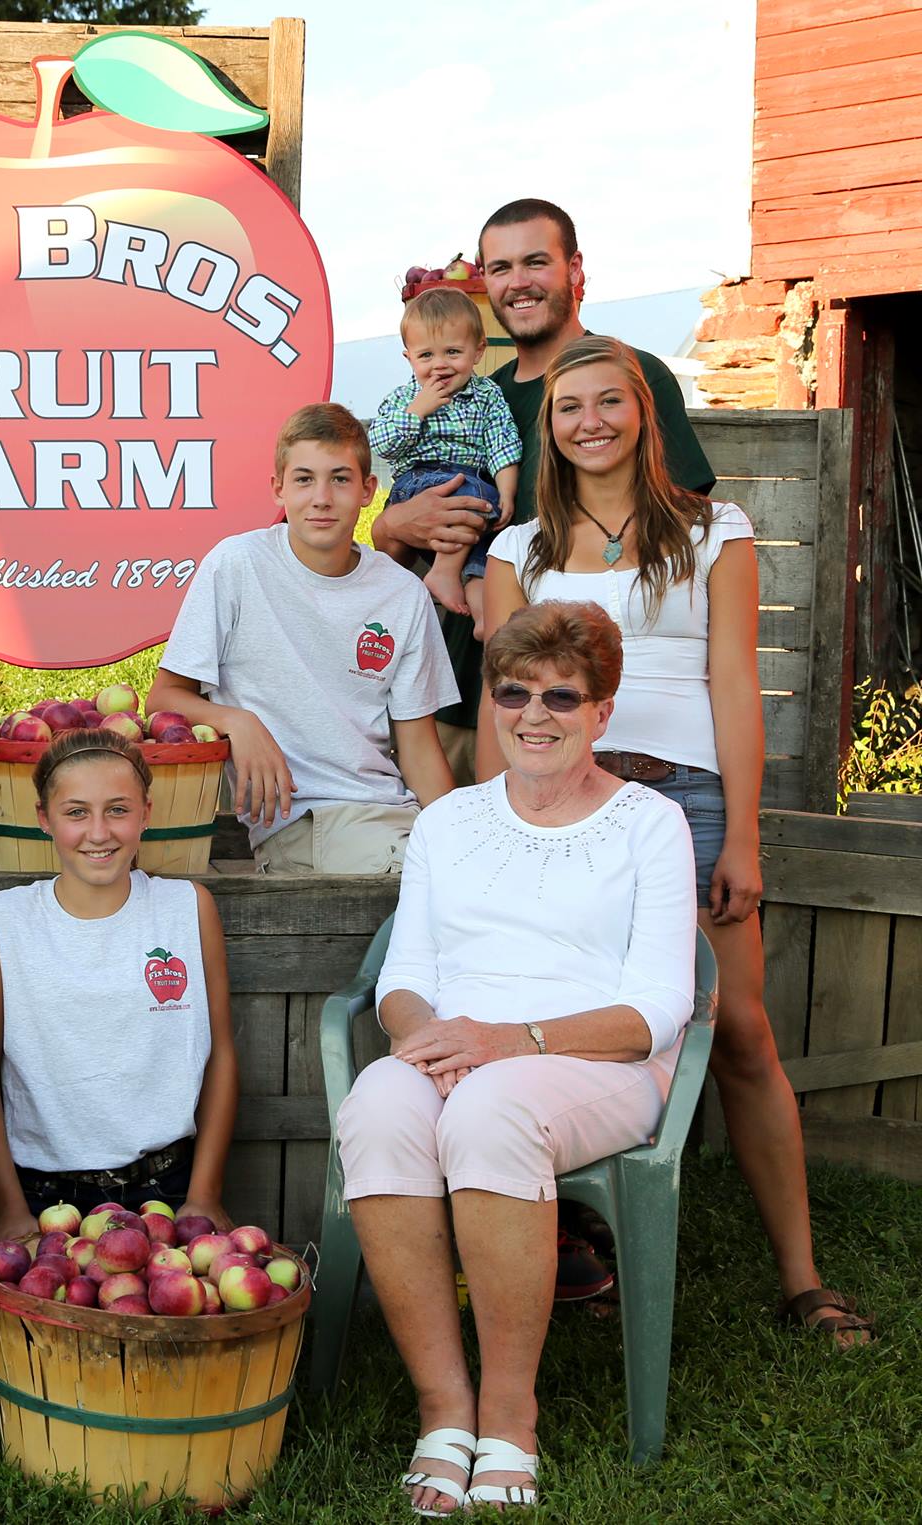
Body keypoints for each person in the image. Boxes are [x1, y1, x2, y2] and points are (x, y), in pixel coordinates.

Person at [481, 335, 874, 1346]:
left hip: (687, 800)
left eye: (607, 402)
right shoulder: (515, 550)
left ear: (642, 414)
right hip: (562, 803)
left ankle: (800, 1276)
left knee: (736, 1029)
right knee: (560, 1005)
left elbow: (733, 683)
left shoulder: (712, 529)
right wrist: (500, 840)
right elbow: (506, 712)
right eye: (568, 408)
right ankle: (570, 1240)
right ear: (548, 428)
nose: (589, 422)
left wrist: (739, 831)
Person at [336, 600, 697, 1516]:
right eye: (513, 692)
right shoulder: (450, 822)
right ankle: (442, 1406)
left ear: (602, 713)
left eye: (561, 696)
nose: (534, 714)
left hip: (596, 1064)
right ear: (492, 702)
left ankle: (509, 1412)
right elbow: (405, 978)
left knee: (493, 1112)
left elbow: (656, 1009)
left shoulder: (649, 824)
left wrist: (505, 1044)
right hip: (460, 1058)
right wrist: (430, 1043)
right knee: (379, 1104)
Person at [370, 198, 715, 786]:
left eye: (536, 263)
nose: (517, 283)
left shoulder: (629, 378)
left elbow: (674, 535)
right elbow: (389, 531)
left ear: (575, 271)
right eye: (500, 268)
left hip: (575, 707)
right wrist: (394, 526)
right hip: (457, 691)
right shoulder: (478, 396)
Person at [0, 727, 238, 1382]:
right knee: (0, 1368)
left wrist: (205, 1191)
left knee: (170, 1367)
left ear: (146, 812)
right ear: (44, 820)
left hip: (163, 1190)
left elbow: (220, 1050)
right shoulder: (3, 920)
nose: (98, 830)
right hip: (44, 1194)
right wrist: (8, 1206)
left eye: (117, 808)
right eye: (76, 812)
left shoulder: (186, 908)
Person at [147, 402, 457, 873]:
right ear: (279, 488)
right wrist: (239, 721)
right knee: (428, 887)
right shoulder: (238, 565)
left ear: (368, 489)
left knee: (475, 881)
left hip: (392, 815)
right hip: (305, 821)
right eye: (304, 479)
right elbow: (163, 698)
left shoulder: (402, 593)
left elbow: (417, 747)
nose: (321, 498)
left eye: (340, 478)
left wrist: (462, 839)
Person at [368, 286, 522, 637]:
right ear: (409, 358)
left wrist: (507, 492)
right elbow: (382, 444)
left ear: (478, 351)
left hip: (474, 481)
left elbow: (502, 441)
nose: (439, 365)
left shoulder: (487, 396)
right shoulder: (404, 398)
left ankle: (483, 618)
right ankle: (442, 572)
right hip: (418, 482)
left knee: (487, 546)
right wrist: (417, 411)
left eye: (453, 352)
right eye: (426, 356)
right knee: (469, 495)